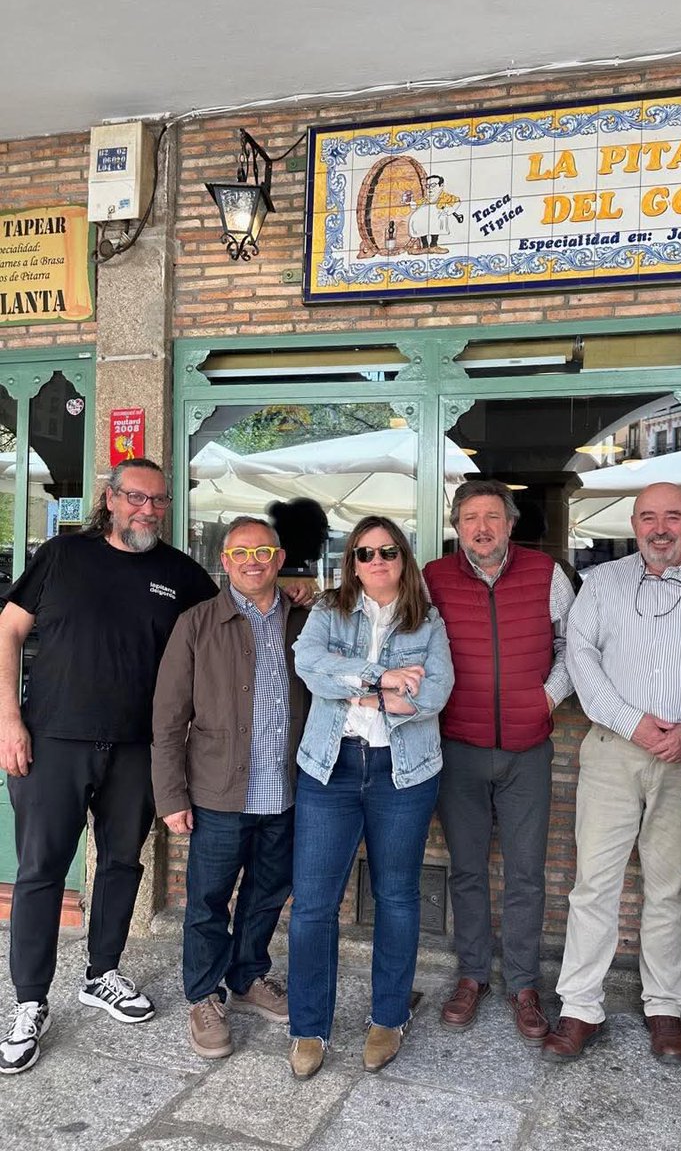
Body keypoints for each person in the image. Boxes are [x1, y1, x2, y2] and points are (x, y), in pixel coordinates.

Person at [0, 458, 218, 1075]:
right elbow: (8, 632)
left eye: (158, 501)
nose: (147, 510)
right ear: (111, 499)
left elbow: (224, 629)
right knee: (41, 872)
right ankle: (29, 1002)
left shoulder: (180, 574)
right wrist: (7, 720)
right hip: (53, 741)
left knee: (123, 862)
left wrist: (294, 591)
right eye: (135, 499)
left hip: (138, 748)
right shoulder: (63, 555)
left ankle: (102, 973)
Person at [543, 482, 681, 1063]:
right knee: (594, 884)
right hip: (614, 748)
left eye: (673, 516)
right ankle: (579, 1006)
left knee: (668, 889)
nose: (660, 527)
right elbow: (580, 658)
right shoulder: (604, 582)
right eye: (648, 517)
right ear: (633, 523)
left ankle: (664, 1006)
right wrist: (632, 722)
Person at [286, 516, 453, 1079]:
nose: (376, 561)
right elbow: (309, 666)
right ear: (351, 561)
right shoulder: (327, 611)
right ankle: (309, 1026)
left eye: (386, 551)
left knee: (398, 897)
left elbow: (435, 691)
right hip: (329, 770)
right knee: (312, 905)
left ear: (402, 558)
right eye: (364, 553)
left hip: (401, 774)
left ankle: (388, 1017)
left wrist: (364, 691)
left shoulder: (426, 620)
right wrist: (383, 678)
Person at [152, 516, 311, 1059]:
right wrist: (170, 796)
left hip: (285, 790)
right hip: (218, 792)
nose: (252, 561)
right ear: (224, 561)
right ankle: (203, 995)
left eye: (263, 551)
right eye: (240, 552)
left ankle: (246, 978)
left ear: (279, 557)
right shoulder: (197, 623)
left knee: (268, 895)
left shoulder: (305, 620)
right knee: (207, 900)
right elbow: (168, 717)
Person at [423, 480, 575, 1044]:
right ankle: (470, 975)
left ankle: (522, 984)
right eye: (469, 518)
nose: (481, 528)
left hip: (527, 749)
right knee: (465, 870)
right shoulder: (432, 579)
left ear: (510, 524)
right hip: (458, 746)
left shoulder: (546, 574)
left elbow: (572, 648)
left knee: (526, 873)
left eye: (491, 516)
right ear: (456, 527)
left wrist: (547, 696)